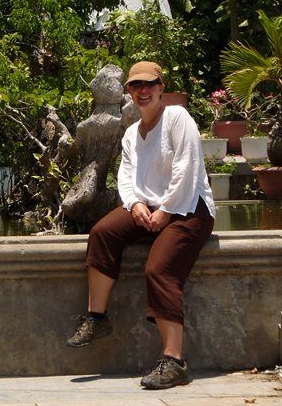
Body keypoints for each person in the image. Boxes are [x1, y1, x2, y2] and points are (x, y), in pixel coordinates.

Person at [66, 61, 215, 390]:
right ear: (128, 92)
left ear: (162, 87)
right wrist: (134, 204)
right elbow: (126, 176)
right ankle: (97, 317)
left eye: (150, 84)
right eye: (136, 86)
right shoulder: (132, 133)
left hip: (190, 207)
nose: (143, 91)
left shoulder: (178, 118)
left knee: (159, 270)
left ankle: (175, 361)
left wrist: (165, 211)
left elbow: (187, 169)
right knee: (102, 233)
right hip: (147, 205)